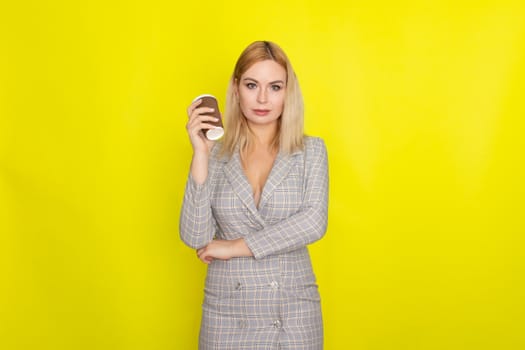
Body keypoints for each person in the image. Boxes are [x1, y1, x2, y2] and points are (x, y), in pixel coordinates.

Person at [180, 40, 329, 350]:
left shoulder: (311, 151)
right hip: (228, 315)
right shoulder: (216, 155)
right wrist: (201, 155)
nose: (263, 98)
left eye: (275, 87)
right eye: (252, 85)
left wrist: (234, 247)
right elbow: (196, 236)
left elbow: (313, 223)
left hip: (292, 314)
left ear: (288, 92)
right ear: (236, 89)